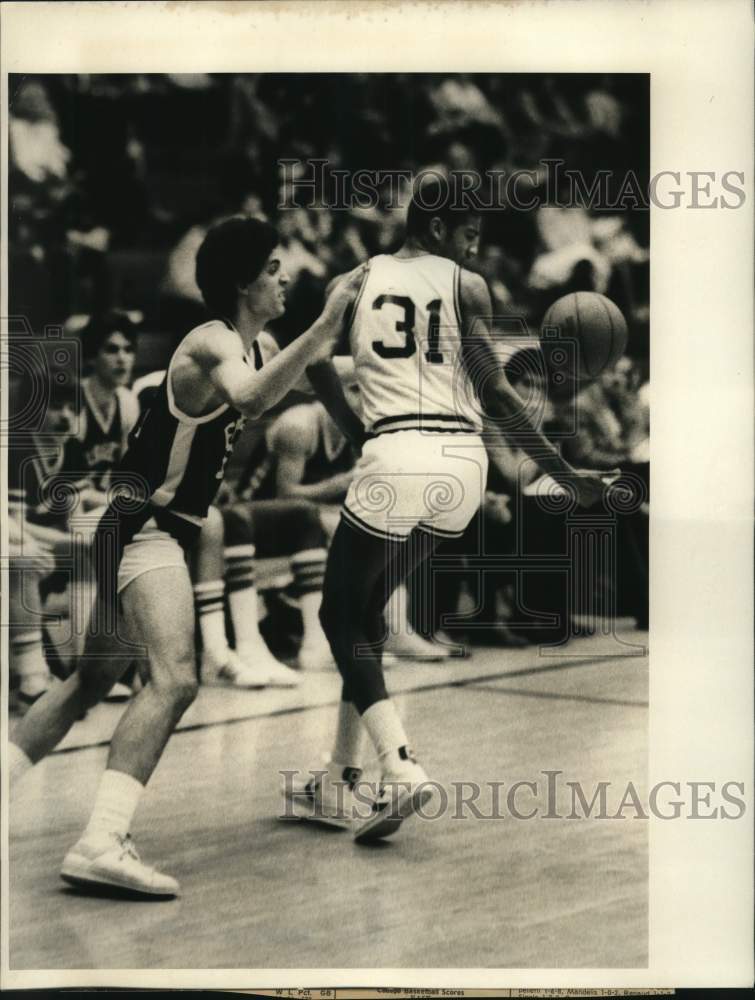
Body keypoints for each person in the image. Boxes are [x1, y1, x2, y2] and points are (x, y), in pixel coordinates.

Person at [9, 216, 361, 897]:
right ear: (241, 282)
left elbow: (315, 375)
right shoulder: (210, 342)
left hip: (135, 526)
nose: (285, 277)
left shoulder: (253, 347)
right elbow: (258, 397)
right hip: (147, 529)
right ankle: (101, 841)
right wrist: (325, 325)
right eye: (272, 268)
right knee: (173, 680)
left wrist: (412, 363)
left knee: (88, 681)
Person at [288, 178, 610, 841]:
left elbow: (314, 362)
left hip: (397, 454)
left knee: (336, 612)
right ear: (435, 228)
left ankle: (398, 766)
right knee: (365, 613)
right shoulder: (467, 288)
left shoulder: (352, 280)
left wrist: (354, 429)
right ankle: (337, 778)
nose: (475, 244)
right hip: (461, 467)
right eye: (468, 232)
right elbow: (494, 392)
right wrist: (561, 472)